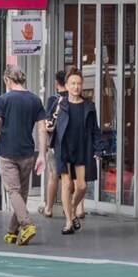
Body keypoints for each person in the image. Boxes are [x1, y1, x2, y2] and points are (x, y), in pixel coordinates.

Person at [0, 66, 44, 246]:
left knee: (13, 192)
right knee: (21, 194)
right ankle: (12, 232)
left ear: (7, 81)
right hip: (28, 153)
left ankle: (27, 225)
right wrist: (42, 154)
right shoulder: (35, 100)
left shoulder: (1, 101)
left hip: (8, 153)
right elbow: (42, 129)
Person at [53, 68, 102, 235]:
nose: (76, 87)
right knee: (66, 185)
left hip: (82, 148)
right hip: (64, 148)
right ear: (66, 85)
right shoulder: (59, 104)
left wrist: (98, 148)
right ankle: (68, 222)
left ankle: (72, 210)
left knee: (81, 186)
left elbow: (95, 129)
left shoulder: (89, 106)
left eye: (79, 84)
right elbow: (48, 122)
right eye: (73, 83)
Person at [39, 73, 65, 219]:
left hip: (55, 143)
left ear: (56, 83)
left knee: (53, 175)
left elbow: (47, 120)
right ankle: (75, 208)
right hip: (70, 144)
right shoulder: (76, 100)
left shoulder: (53, 100)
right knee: (71, 177)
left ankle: (49, 208)